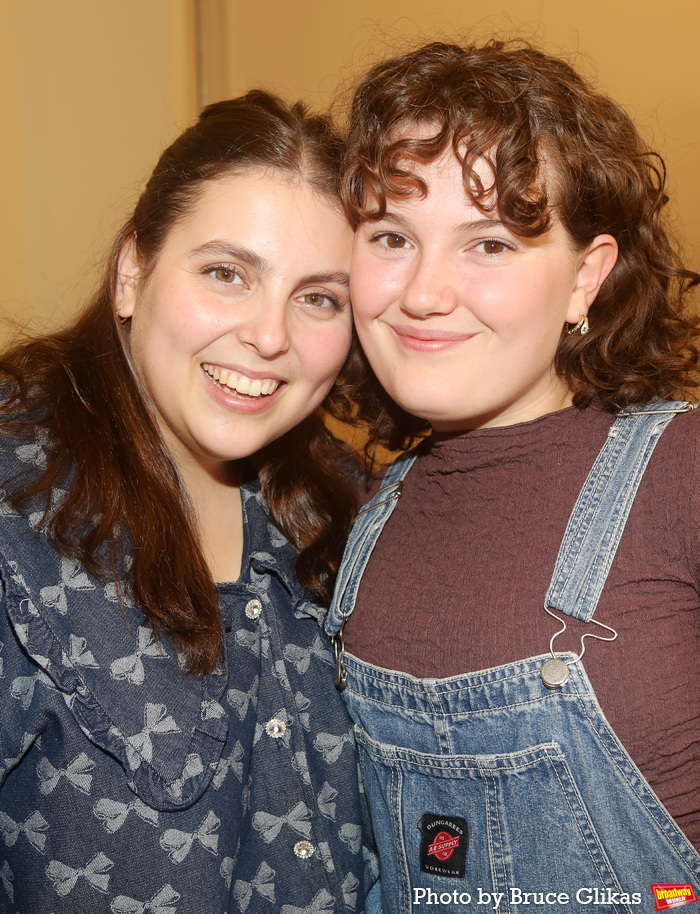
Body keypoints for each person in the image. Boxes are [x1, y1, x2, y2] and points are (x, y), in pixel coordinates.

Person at [325, 40, 700, 912]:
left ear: (586, 278)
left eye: (488, 244)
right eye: (391, 236)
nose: (423, 293)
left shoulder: (682, 474)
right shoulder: (361, 515)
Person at [0, 90, 377, 913]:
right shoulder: (15, 508)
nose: (269, 337)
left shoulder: (349, 502)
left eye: (319, 297)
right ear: (133, 270)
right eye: (226, 273)